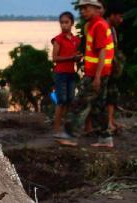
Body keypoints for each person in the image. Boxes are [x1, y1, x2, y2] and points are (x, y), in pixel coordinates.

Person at [58, 0, 115, 148]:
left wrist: (97, 77)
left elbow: (102, 52)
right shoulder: (90, 25)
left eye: (86, 8)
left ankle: (70, 135)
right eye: (81, 8)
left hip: (97, 74)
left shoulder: (99, 26)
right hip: (98, 72)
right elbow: (92, 49)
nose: (82, 11)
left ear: (96, 9)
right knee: (99, 105)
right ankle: (105, 138)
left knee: (79, 102)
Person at [51, 11, 80, 139]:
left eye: (66, 22)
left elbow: (77, 57)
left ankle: (65, 128)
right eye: (62, 23)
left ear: (72, 23)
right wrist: (71, 57)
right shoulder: (58, 39)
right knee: (60, 102)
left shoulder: (76, 40)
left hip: (71, 73)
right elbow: (55, 58)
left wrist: (77, 58)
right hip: (60, 73)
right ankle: (57, 130)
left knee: (69, 101)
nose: (64, 25)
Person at [104, 3, 125, 135]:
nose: (121, 20)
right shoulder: (104, 28)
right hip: (104, 68)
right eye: (119, 17)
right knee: (99, 98)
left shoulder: (112, 29)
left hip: (111, 69)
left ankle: (110, 121)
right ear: (112, 15)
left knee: (111, 96)